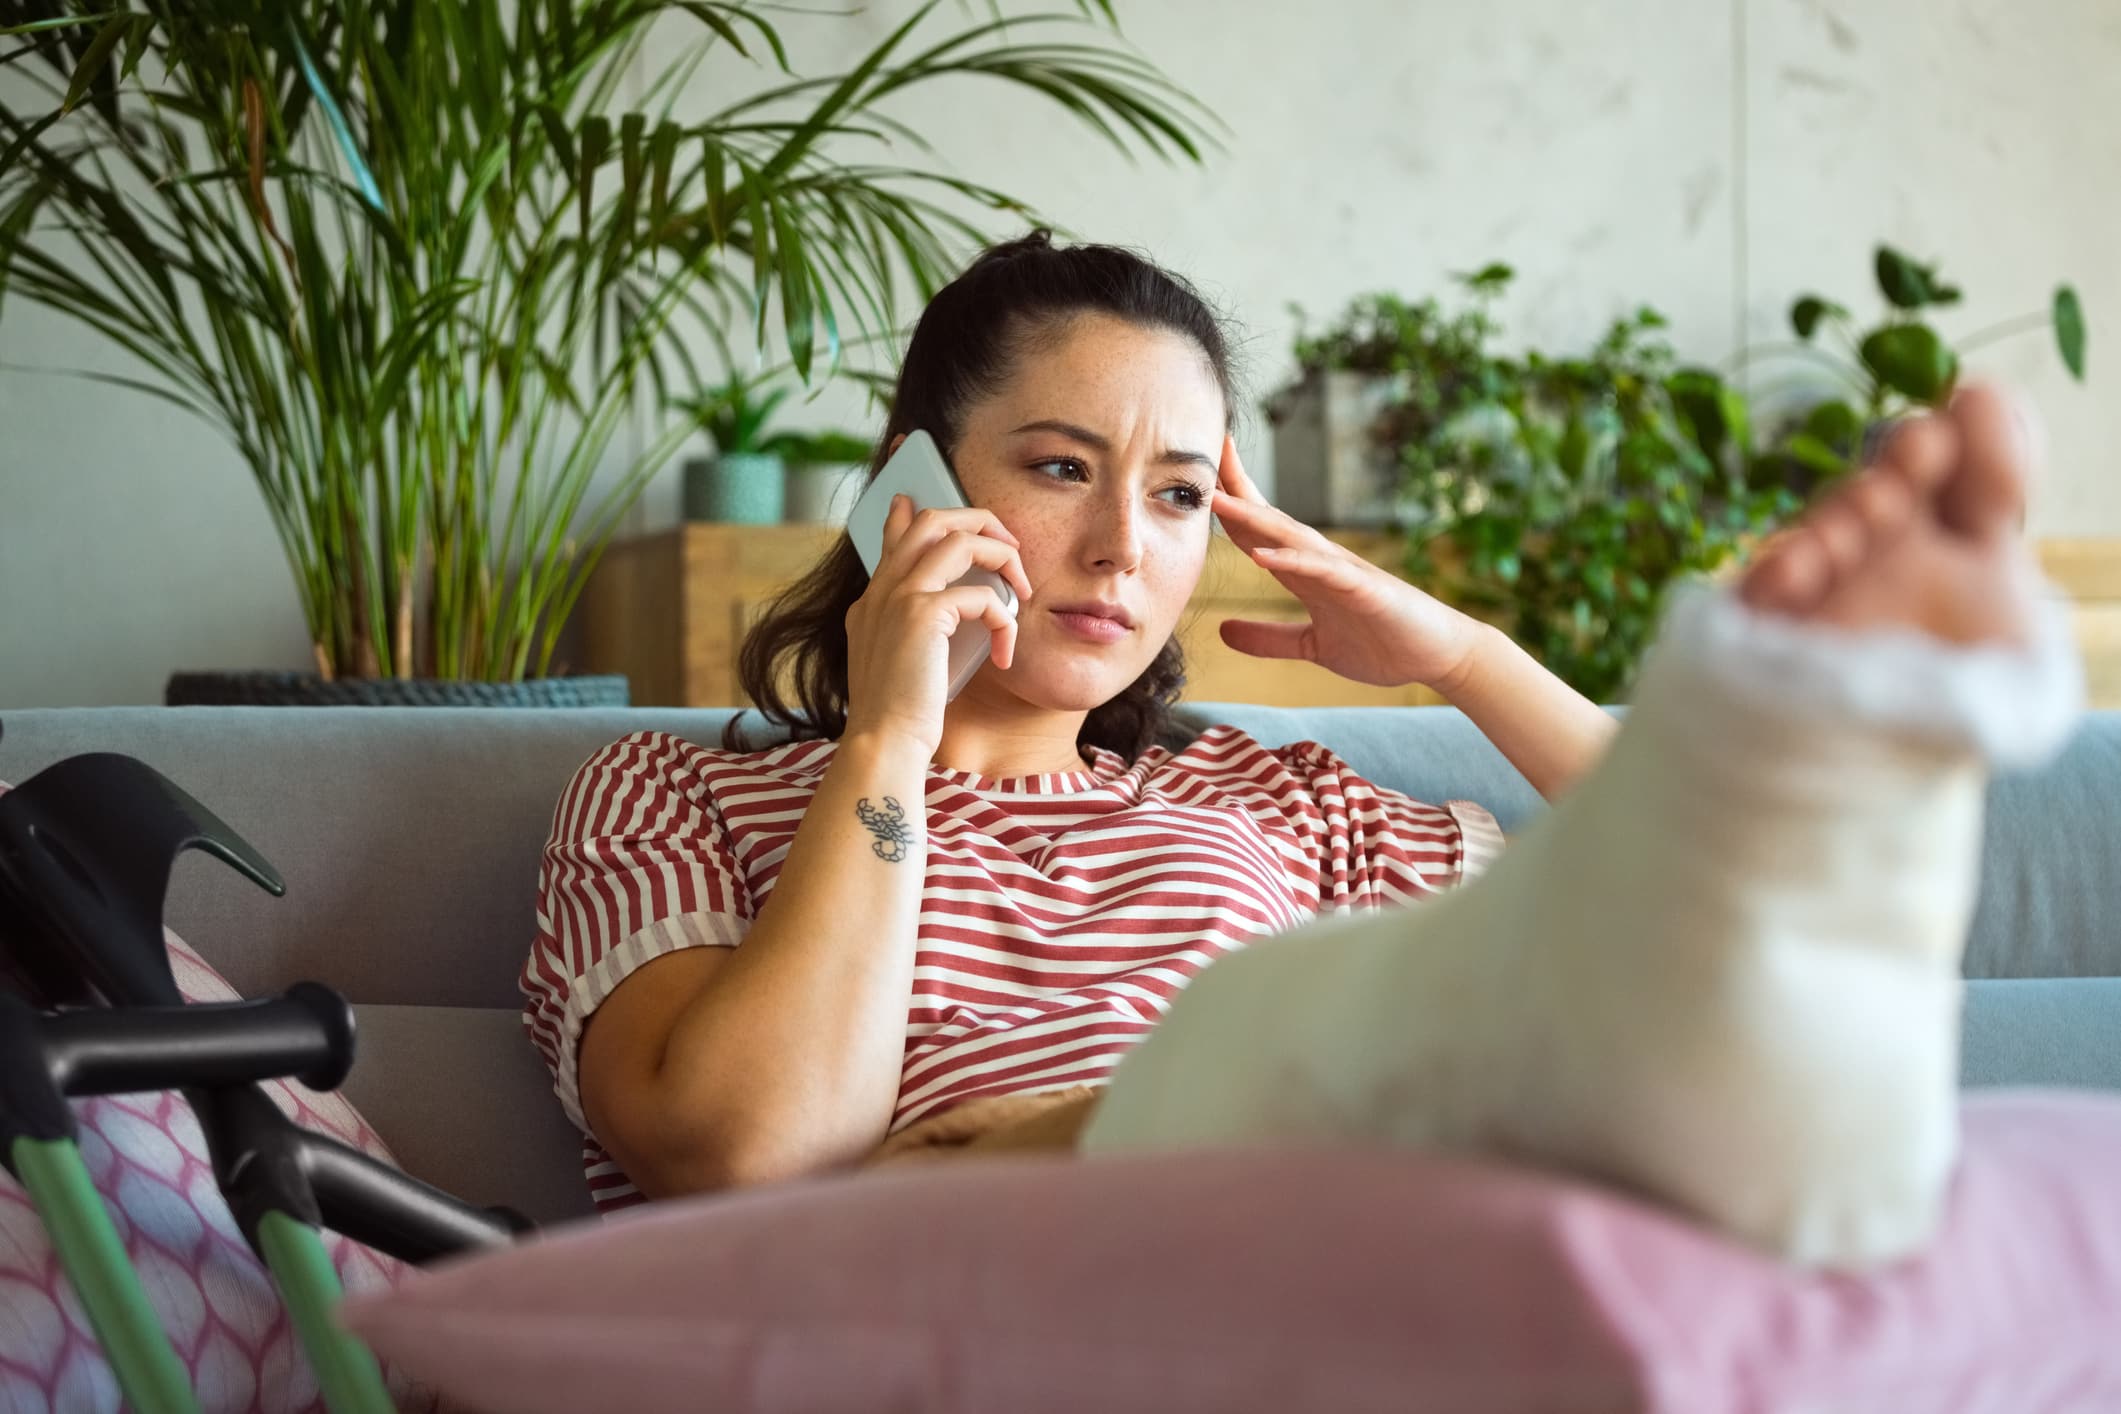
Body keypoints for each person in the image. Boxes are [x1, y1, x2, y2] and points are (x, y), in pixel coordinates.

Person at [520, 231, 2080, 1268]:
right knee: (1349, 1062)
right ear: (910, 488)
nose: (1123, 544)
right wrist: (888, 735)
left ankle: (1831, 773)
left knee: (1664, 973)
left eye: (1184, 494)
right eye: (1062, 466)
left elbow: (1690, 903)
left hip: (1325, 1284)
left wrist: (1462, 658)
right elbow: (742, 1152)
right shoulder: (676, 792)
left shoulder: (1272, 799)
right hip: (955, 1294)